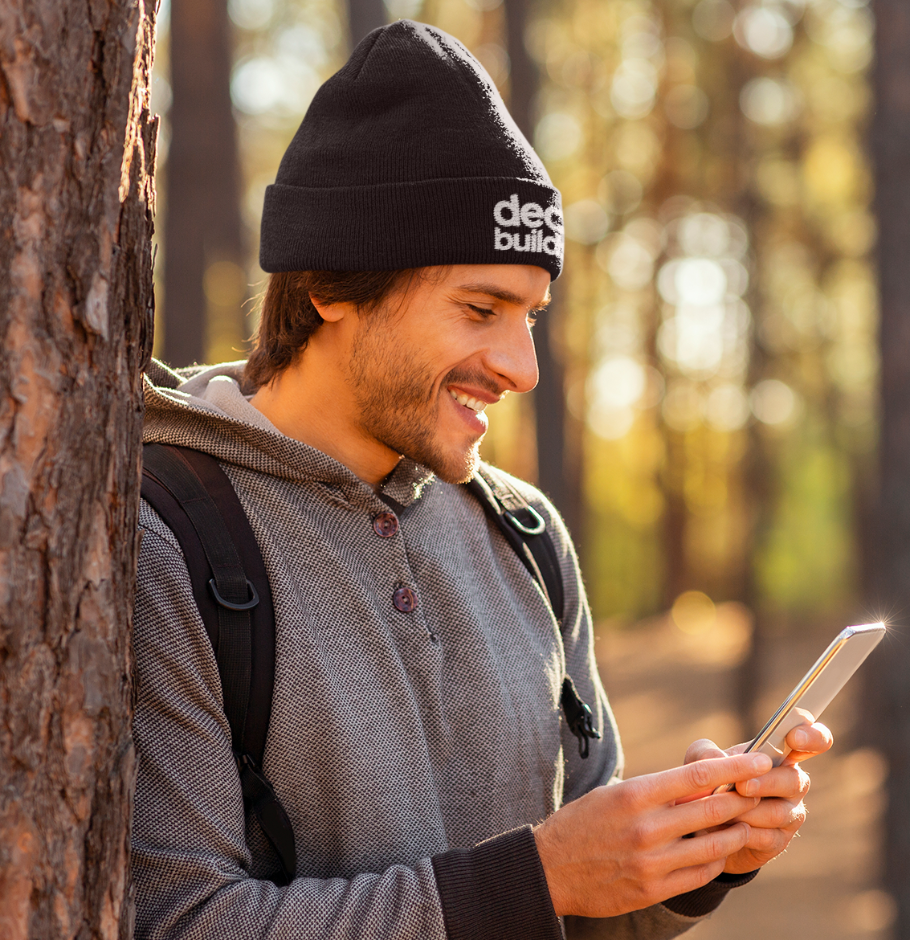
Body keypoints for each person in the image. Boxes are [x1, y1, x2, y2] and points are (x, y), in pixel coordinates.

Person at [132, 20, 832, 940]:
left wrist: (693, 860)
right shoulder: (162, 539)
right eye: (480, 307)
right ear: (333, 287)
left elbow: (578, 908)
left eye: (532, 315)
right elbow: (179, 921)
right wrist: (536, 877)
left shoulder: (525, 535)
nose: (520, 365)